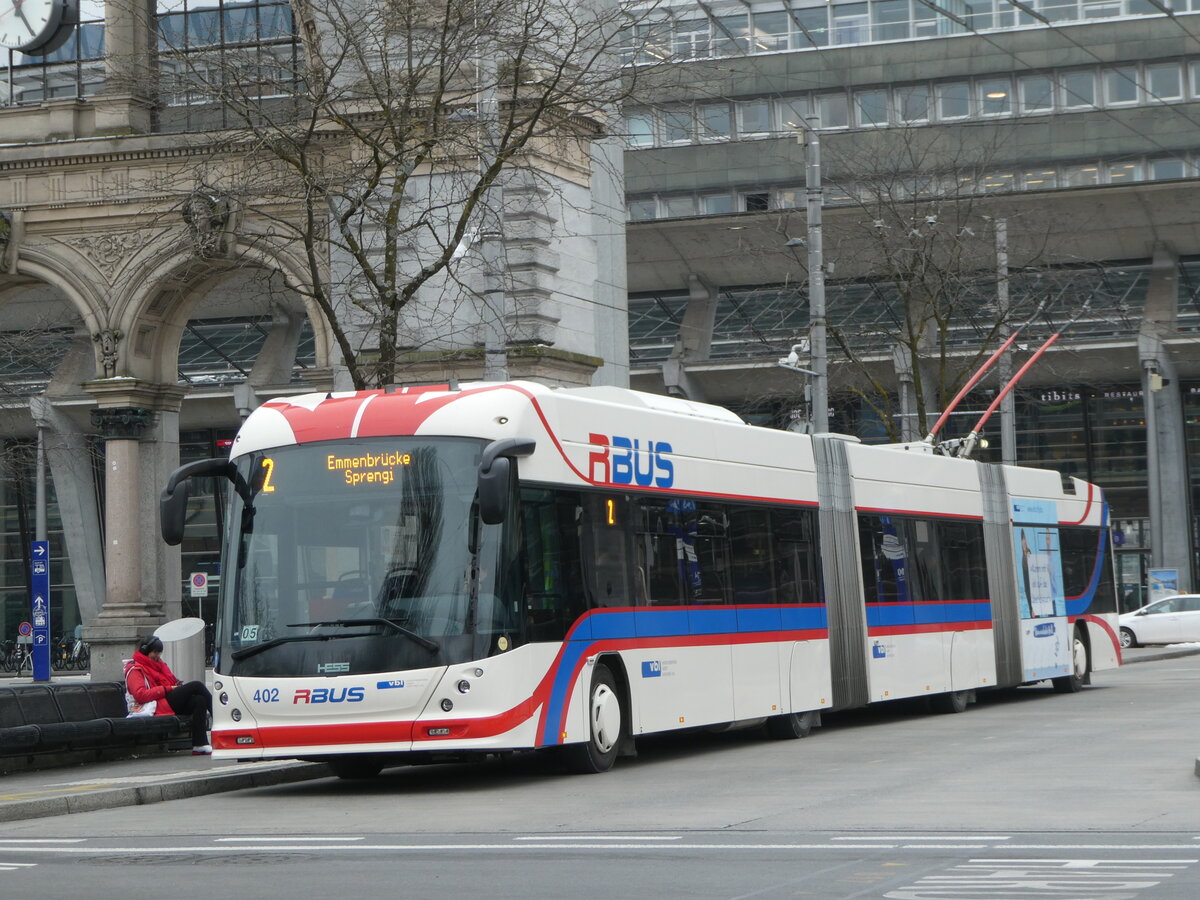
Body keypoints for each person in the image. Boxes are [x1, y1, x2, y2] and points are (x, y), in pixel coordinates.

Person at [125, 635, 213, 755]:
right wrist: (166, 689)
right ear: (145, 651)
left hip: (166, 700)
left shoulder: (160, 665)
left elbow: (171, 682)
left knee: (199, 700)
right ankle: (220, 717)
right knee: (197, 686)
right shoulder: (135, 669)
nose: (157, 656)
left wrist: (176, 685)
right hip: (157, 705)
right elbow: (140, 695)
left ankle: (200, 744)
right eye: (154, 652)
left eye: (159, 653)